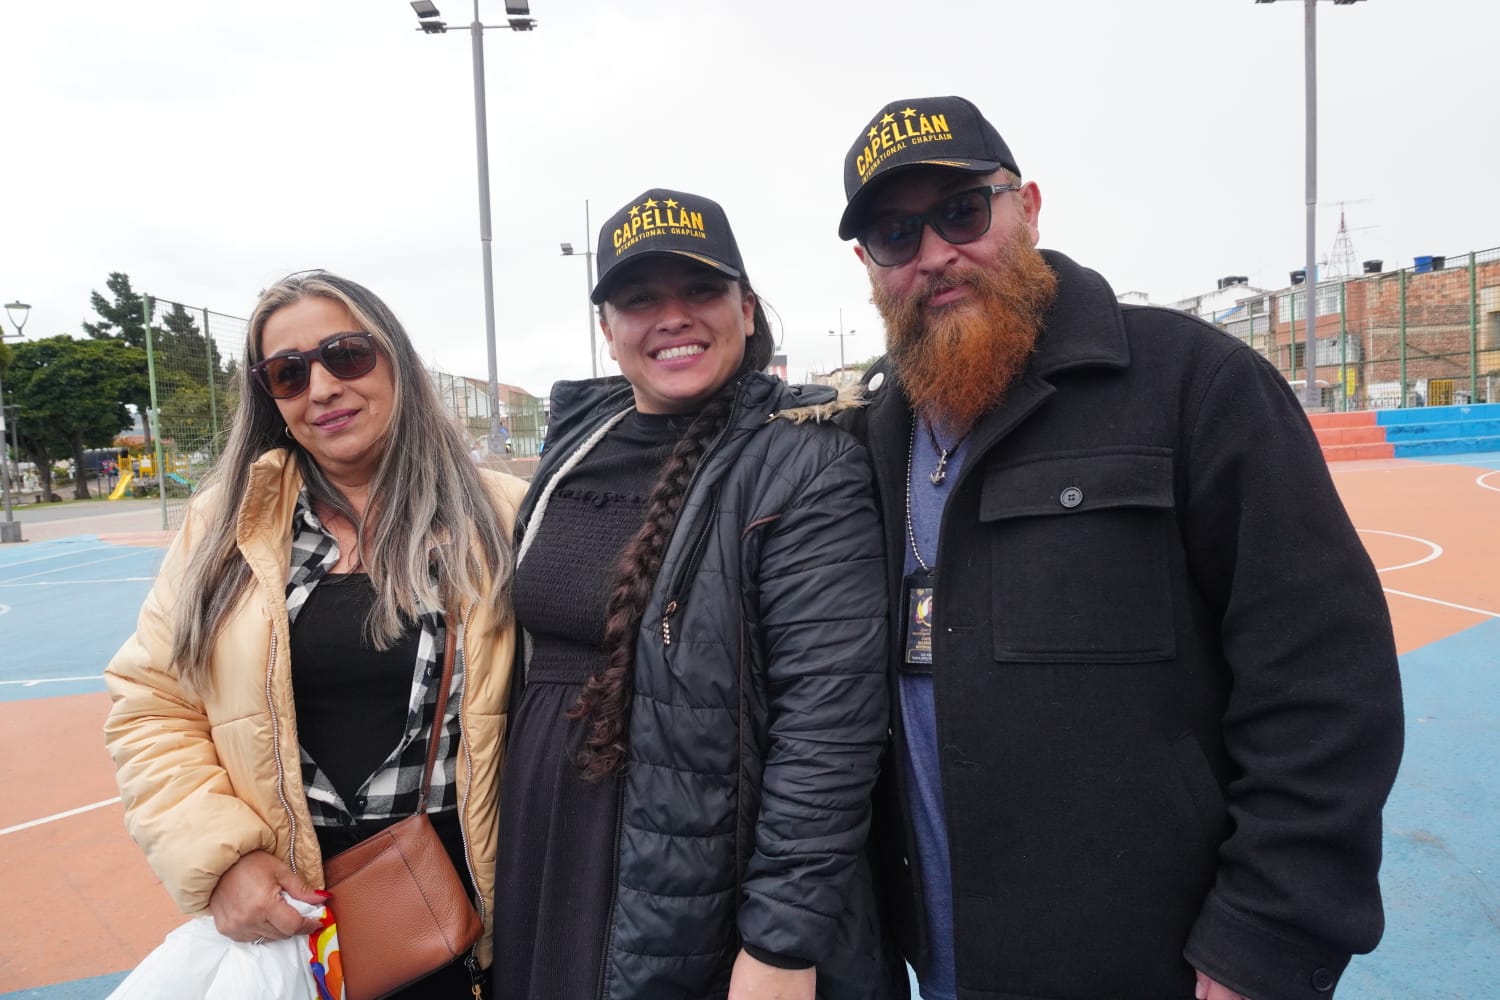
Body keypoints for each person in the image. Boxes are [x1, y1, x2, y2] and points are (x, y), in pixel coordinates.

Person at [834, 96, 1405, 1000]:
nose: (935, 254)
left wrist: (1265, 938)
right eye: (896, 235)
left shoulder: (1195, 384)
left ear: (1027, 207)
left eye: (962, 212)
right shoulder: (871, 436)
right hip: (940, 966)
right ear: (869, 266)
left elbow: (1326, 681)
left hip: (1158, 965)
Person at [493, 189, 897, 1000]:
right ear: (607, 328)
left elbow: (828, 723)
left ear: (745, 310)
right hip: (549, 837)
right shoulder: (580, 440)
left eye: (701, 291)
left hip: (692, 868)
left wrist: (782, 941)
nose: (672, 317)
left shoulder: (804, 463)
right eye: (641, 299)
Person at [104, 271, 524, 996]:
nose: (322, 388)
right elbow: (152, 706)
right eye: (288, 373)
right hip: (292, 919)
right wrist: (224, 860)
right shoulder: (224, 524)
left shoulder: (502, 515)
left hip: (466, 906)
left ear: (396, 359)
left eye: (346, 355)